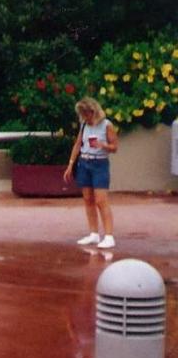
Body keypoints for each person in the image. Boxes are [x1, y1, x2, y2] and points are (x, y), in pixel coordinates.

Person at [63, 97, 118, 249]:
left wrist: (102, 145)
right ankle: (93, 233)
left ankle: (109, 235)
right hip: (85, 162)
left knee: (101, 200)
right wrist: (71, 164)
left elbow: (115, 147)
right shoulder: (84, 125)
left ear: (93, 111)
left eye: (86, 113)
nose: (84, 116)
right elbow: (78, 144)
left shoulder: (106, 125)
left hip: (99, 163)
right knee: (88, 199)